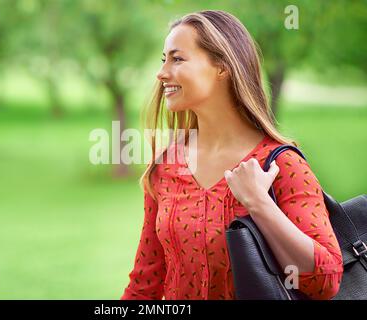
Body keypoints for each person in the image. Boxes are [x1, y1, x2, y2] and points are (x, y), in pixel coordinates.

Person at [120, 10, 343, 300]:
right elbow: (145, 284)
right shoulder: (166, 165)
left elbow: (326, 281)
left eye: (177, 58)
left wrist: (259, 203)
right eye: (164, 60)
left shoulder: (280, 165)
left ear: (222, 67)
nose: (162, 73)